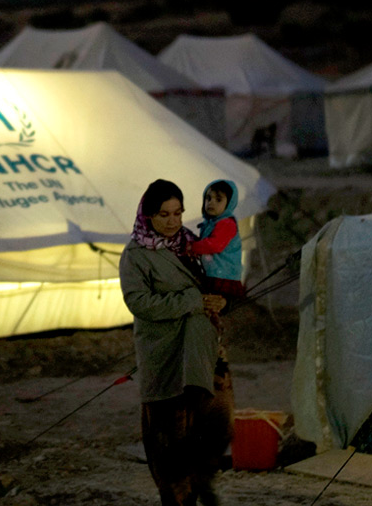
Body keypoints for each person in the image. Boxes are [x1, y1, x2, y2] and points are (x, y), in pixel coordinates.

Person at [120, 179, 230, 506]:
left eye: (178, 213)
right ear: (149, 215)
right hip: (166, 352)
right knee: (170, 436)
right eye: (164, 214)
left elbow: (211, 286)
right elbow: (140, 303)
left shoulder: (190, 245)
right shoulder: (136, 255)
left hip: (204, 350)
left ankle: (201, 485)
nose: (172, 221)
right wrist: (191, 301)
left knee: (212, 427)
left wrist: (218, 300)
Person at [181, 180, 244, 330]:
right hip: (214, 272)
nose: (211, 203)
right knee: (209, 305)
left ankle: (214, 328)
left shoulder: (226, 224)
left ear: (229, 203)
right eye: (208, 198)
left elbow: (214, 245)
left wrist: (193, 247)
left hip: (223, 274)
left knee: (214, 303)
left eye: (218, 199)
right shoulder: (212, 223)